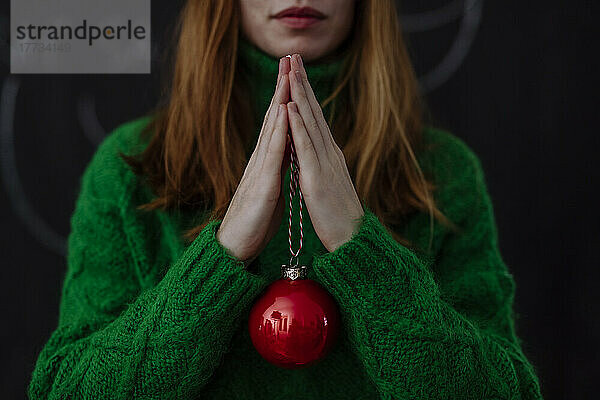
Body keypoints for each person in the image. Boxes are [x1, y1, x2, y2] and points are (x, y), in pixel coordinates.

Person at [28, 1, 544, 399]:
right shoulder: (131, 167)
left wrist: (358, 248)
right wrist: (222, 255)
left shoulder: (438, 172)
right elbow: (64, 390)